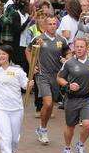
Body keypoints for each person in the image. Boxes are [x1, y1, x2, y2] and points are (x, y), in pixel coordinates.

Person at [26, 15, 70, 145]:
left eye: (54, 24)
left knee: (51, 106)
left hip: (56, 76)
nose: (52, 26)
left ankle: (41, 128)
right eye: (49, 24)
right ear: (45, 26)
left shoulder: (61, 40)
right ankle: (44, 130)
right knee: (48, 103)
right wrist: (32, 65)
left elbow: (68, 52)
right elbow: (28, 51)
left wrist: (66, 59)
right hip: (42, 75)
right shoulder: (39, 38)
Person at [57, 38, 89, 153]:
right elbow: (59, 78)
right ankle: (67, 148)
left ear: (87, 48)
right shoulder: (69, 63)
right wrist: (68, 85)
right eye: (77, 47)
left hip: (86, 99)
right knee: (70, 126)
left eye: (82, 47)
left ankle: (80, 145)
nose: (79, 49)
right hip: (72, 99)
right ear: (74, 48)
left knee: (87, 124)